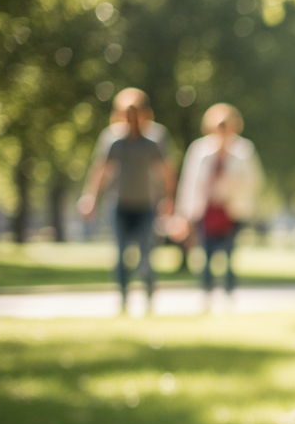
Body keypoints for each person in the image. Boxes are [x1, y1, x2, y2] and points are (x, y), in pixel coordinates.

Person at [78, 89, 176, 314]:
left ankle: (150, 300)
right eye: (126, 112)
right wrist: (91, 198)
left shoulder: (154, 140)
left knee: (146, 256)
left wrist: (169, 200)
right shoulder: (112, 140)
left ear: (144, 113)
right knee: (121, 255)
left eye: (135, 112)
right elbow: (101, 172)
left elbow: (166, 173)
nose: (131, 117)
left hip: (146, 206)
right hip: (119, 205)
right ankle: (123, 300)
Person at [175, 103, 263, 308]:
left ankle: (229, 293)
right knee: (204, 253)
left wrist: (228, 185)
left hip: (231, 209)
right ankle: (205, 293)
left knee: (229, 254)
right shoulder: (199, 150)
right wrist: (183, 214)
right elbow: (189, 183)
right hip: (205, 210)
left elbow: (254, 180)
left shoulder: (244, 150)